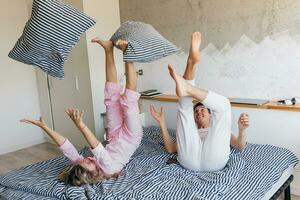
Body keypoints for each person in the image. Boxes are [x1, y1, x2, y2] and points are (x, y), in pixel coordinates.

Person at [20, 38, 143, 186]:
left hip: (114, 136)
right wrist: (80, 125)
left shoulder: (84, 165)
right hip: (131, 138)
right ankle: (127, 53)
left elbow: (67, 147)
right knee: (129, 100)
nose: (86, 159)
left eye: (83, 162)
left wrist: (45, 128)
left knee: (111, 96)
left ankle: (108, 49)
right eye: (87, 163)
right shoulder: (108, 169)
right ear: (95, 173)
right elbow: (97, 147)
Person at [150, 32, 249, 172]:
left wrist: (241, 130)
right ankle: (190, 73)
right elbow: (171, 149)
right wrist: (162, 124)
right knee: (186, 109)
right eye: (196, 112)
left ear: (210, 115)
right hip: (189, 159)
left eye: (202, 110)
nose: (198, 113)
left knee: (219, 106)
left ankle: (190, 68)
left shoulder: (220, 129)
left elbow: (240, 147)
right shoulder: (192, 129)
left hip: (213, 160)